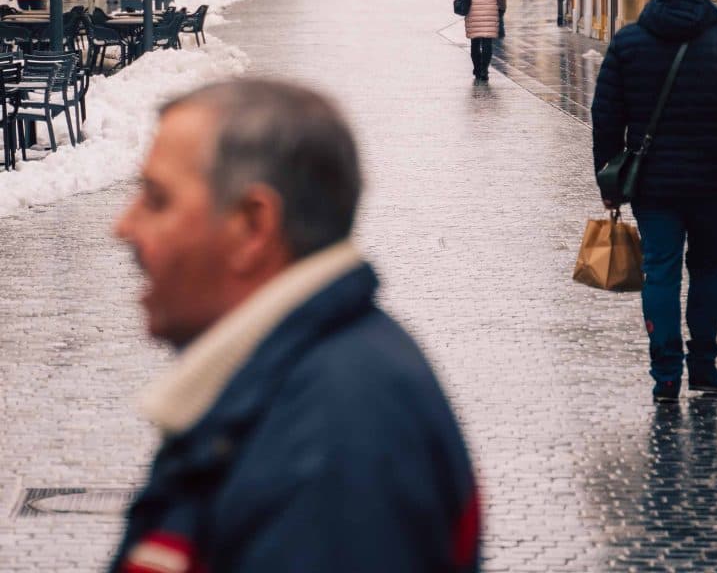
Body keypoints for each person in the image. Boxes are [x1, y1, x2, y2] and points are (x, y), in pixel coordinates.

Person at [111, 79, 479, 573]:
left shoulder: (337, 439)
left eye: (156, 200)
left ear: (252, 226)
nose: (123, 226)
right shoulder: (288, 385)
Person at [591, 0, 717, 404]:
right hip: (711, 181)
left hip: (652, 186)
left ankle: (666, 374)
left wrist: (608, 183)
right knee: (709, 270)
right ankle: (705, 367)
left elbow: (605, 116)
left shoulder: (628, 42)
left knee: (660, 273)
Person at [457, 0, 506, 83]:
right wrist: (502, 9)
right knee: (487, 43)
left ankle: (477, 69)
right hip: (490, 13)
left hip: (473, 13)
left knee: (475, 43)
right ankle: (484, 70)